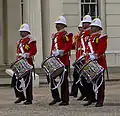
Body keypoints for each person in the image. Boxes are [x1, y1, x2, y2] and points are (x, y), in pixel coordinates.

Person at [49, 16, 73, 106]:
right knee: (51, 78)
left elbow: (68, 46)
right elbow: (53, 47)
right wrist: (52, 54)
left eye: (58, 24)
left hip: (63, 61)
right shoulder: (55, 35)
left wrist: (61, 51)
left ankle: (65, 99)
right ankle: (56, 97)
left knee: (63, 81)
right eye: (56, 24)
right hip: (55, 61)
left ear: (63, 25)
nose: (57, 26)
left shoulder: (67, 35)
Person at [11, 23, 37, 105]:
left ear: (27, 32)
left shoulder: (31, 41)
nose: (21, 33)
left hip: (27, 63)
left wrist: (27, 54)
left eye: (23, 31)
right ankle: (20, 96)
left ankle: (29, 99)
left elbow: (34, 51)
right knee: (15, 81)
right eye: (21, 31)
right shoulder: (19, 42)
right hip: (19, 63)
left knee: (27, 82)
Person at [85, 18, 107, 107]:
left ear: (98, 28)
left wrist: (96, 55)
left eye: (93, 27)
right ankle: (91, 98)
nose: (91, 28)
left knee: (99, 83)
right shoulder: (90, 38)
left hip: (99, 63)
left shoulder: (101, 37)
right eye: (91, 26)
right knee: (89, 82)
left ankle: (100, 100)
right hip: (90, 62)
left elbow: (102, 49)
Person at [69, 21, 84, 98]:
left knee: (82, 77)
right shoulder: (78, 37)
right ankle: (75, 92)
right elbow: (73, 46)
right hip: (78, 60)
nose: (81, 29)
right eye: (80, 28)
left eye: (82, 28)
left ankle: (83, 93)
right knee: (76, 76)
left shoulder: (85, 37)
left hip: (84, 59)